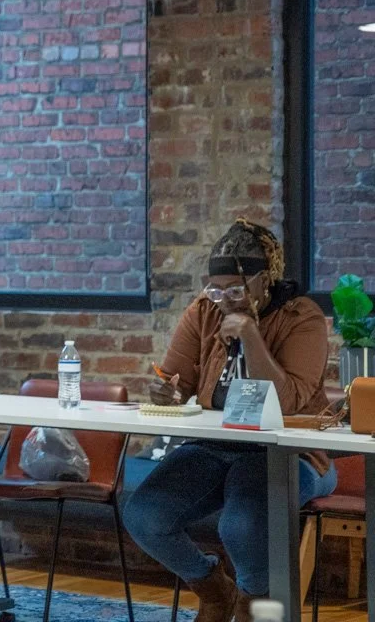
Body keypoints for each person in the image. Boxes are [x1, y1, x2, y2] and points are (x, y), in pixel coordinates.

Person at [122, 219, 337, 622]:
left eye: (235, 291)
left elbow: (287, 402)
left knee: (241, 526)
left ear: (264, 281)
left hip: (292, 454)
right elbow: (175, 380)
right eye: (215, 290)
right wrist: (165, 390)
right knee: (145, 514)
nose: (223, 300)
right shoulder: (204, 311)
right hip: (215, 447)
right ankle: (216, 590)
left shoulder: (300, 317)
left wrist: (251, 336)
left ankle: (255, 607)